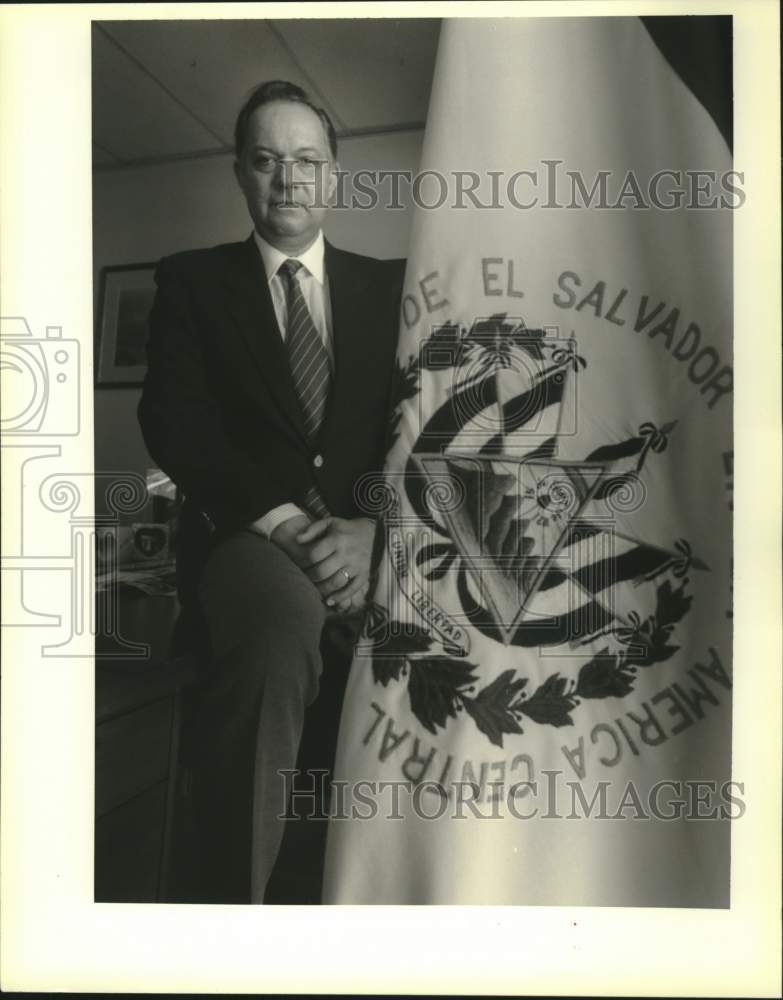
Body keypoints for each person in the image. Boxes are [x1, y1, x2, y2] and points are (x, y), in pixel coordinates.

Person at [138, 80, 405, 903]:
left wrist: (377, 533)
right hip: (250, 541)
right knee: (280, 623)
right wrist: (289, 526)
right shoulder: (192, 281)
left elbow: (424, 424)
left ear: (333, 174)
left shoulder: (394, 286)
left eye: (305, 160)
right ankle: (229, 917)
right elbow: (173, 421)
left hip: (372, 540)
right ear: (239, 175)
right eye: (264, 161)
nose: (286, 179)